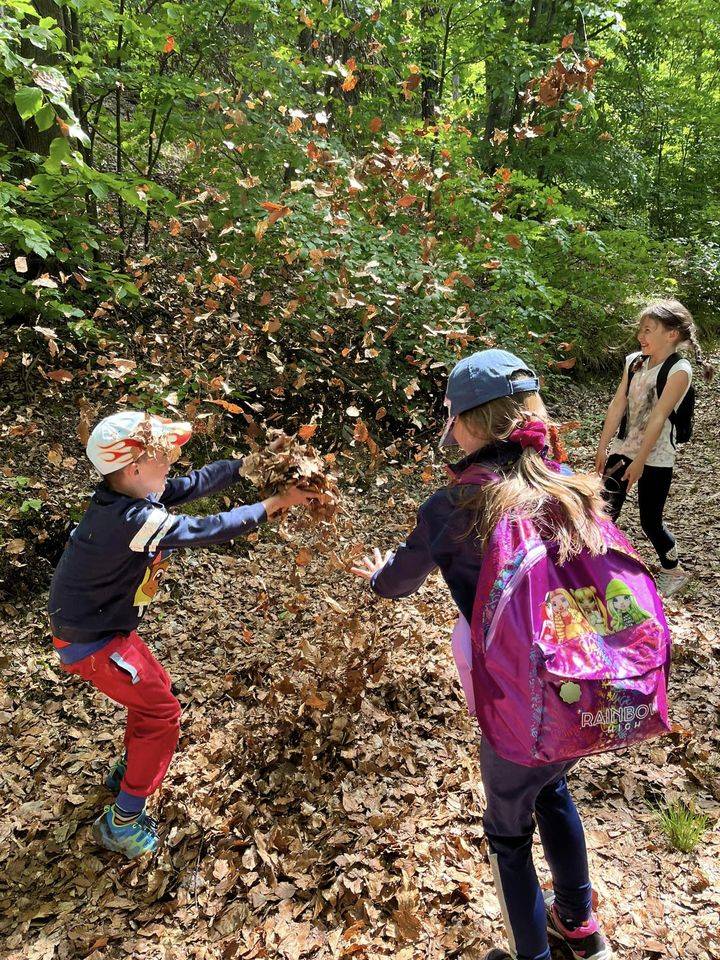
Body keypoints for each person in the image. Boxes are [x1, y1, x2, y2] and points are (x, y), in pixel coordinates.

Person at [352, 350, 612, 960]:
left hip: (514, 700)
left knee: (507, 833)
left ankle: (532, 955)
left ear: (466, 423)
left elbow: (397, 582)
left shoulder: (453, 506)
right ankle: (580, 925)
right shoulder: (566, 484)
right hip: (579, 682)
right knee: (552, 789)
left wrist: (377, 574)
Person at [49, 411, 318, 859]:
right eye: (164, 456)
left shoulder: (130, 492)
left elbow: (194, 484)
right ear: (135, 467)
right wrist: (275, 503)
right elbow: (207, 529)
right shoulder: (131, 518)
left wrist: (250, 464)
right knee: (162, 714)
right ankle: (122, 822)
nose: (173, 462)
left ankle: (128, 772)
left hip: (104, 630)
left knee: (155, 693)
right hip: (92, 642)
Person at [595, 299, 714, 596]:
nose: (640, 336)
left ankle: (673, 570)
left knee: (650, 522)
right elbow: (618, 404)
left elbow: (659, 417)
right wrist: (603, 446)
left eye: (648, 330)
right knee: (604, 509)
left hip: (656, 455)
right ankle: (594, 568)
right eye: (640, 329)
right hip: (624, 447)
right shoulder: (634, 361)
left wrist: (640, 461)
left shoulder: (679, 370)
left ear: (671, 334)